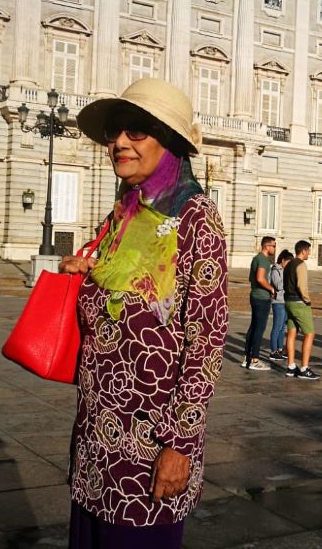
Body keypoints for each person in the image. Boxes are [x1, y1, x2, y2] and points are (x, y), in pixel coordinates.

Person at [61, 78, 228, 547]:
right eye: (114, 131)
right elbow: (111, 305)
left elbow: (207, 341)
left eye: (135, 130)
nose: (119, 142)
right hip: (95, 442)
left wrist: (181, 446)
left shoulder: (196, 219)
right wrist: (81, 273)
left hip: (149, 452)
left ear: (168, 141)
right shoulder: (122, 213)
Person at [283, 240, 320, 380]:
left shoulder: (289, 264)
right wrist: (307, 299)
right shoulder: (301, 264)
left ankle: (291, 366)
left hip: (288, 301)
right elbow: (302, 285)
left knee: (291, 333)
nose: (309, 253)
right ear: (303, 251)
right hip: (299, 302)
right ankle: (304, 368)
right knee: (309, 334)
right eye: (309, 250)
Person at [244, 237, 276, 371]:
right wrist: (271, 288)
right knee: (259, 328)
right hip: (261, 297)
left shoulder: (257, 258)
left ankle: (247, 357)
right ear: (266, 246)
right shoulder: (262, 260)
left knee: (254, 326)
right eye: (273, 245)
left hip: (255, 295)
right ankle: (254, 360)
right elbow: (260, 278)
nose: (274, 248)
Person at [268, 249, 294, 360]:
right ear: (283, 260)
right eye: (288, 262)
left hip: (285, 301)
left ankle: (280, 349)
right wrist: (287, 276)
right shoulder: (275, 270)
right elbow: (278, 285)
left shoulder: (284, 270)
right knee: (277, 327)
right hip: (278, 302)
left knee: (283, 328)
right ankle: (273, 351)